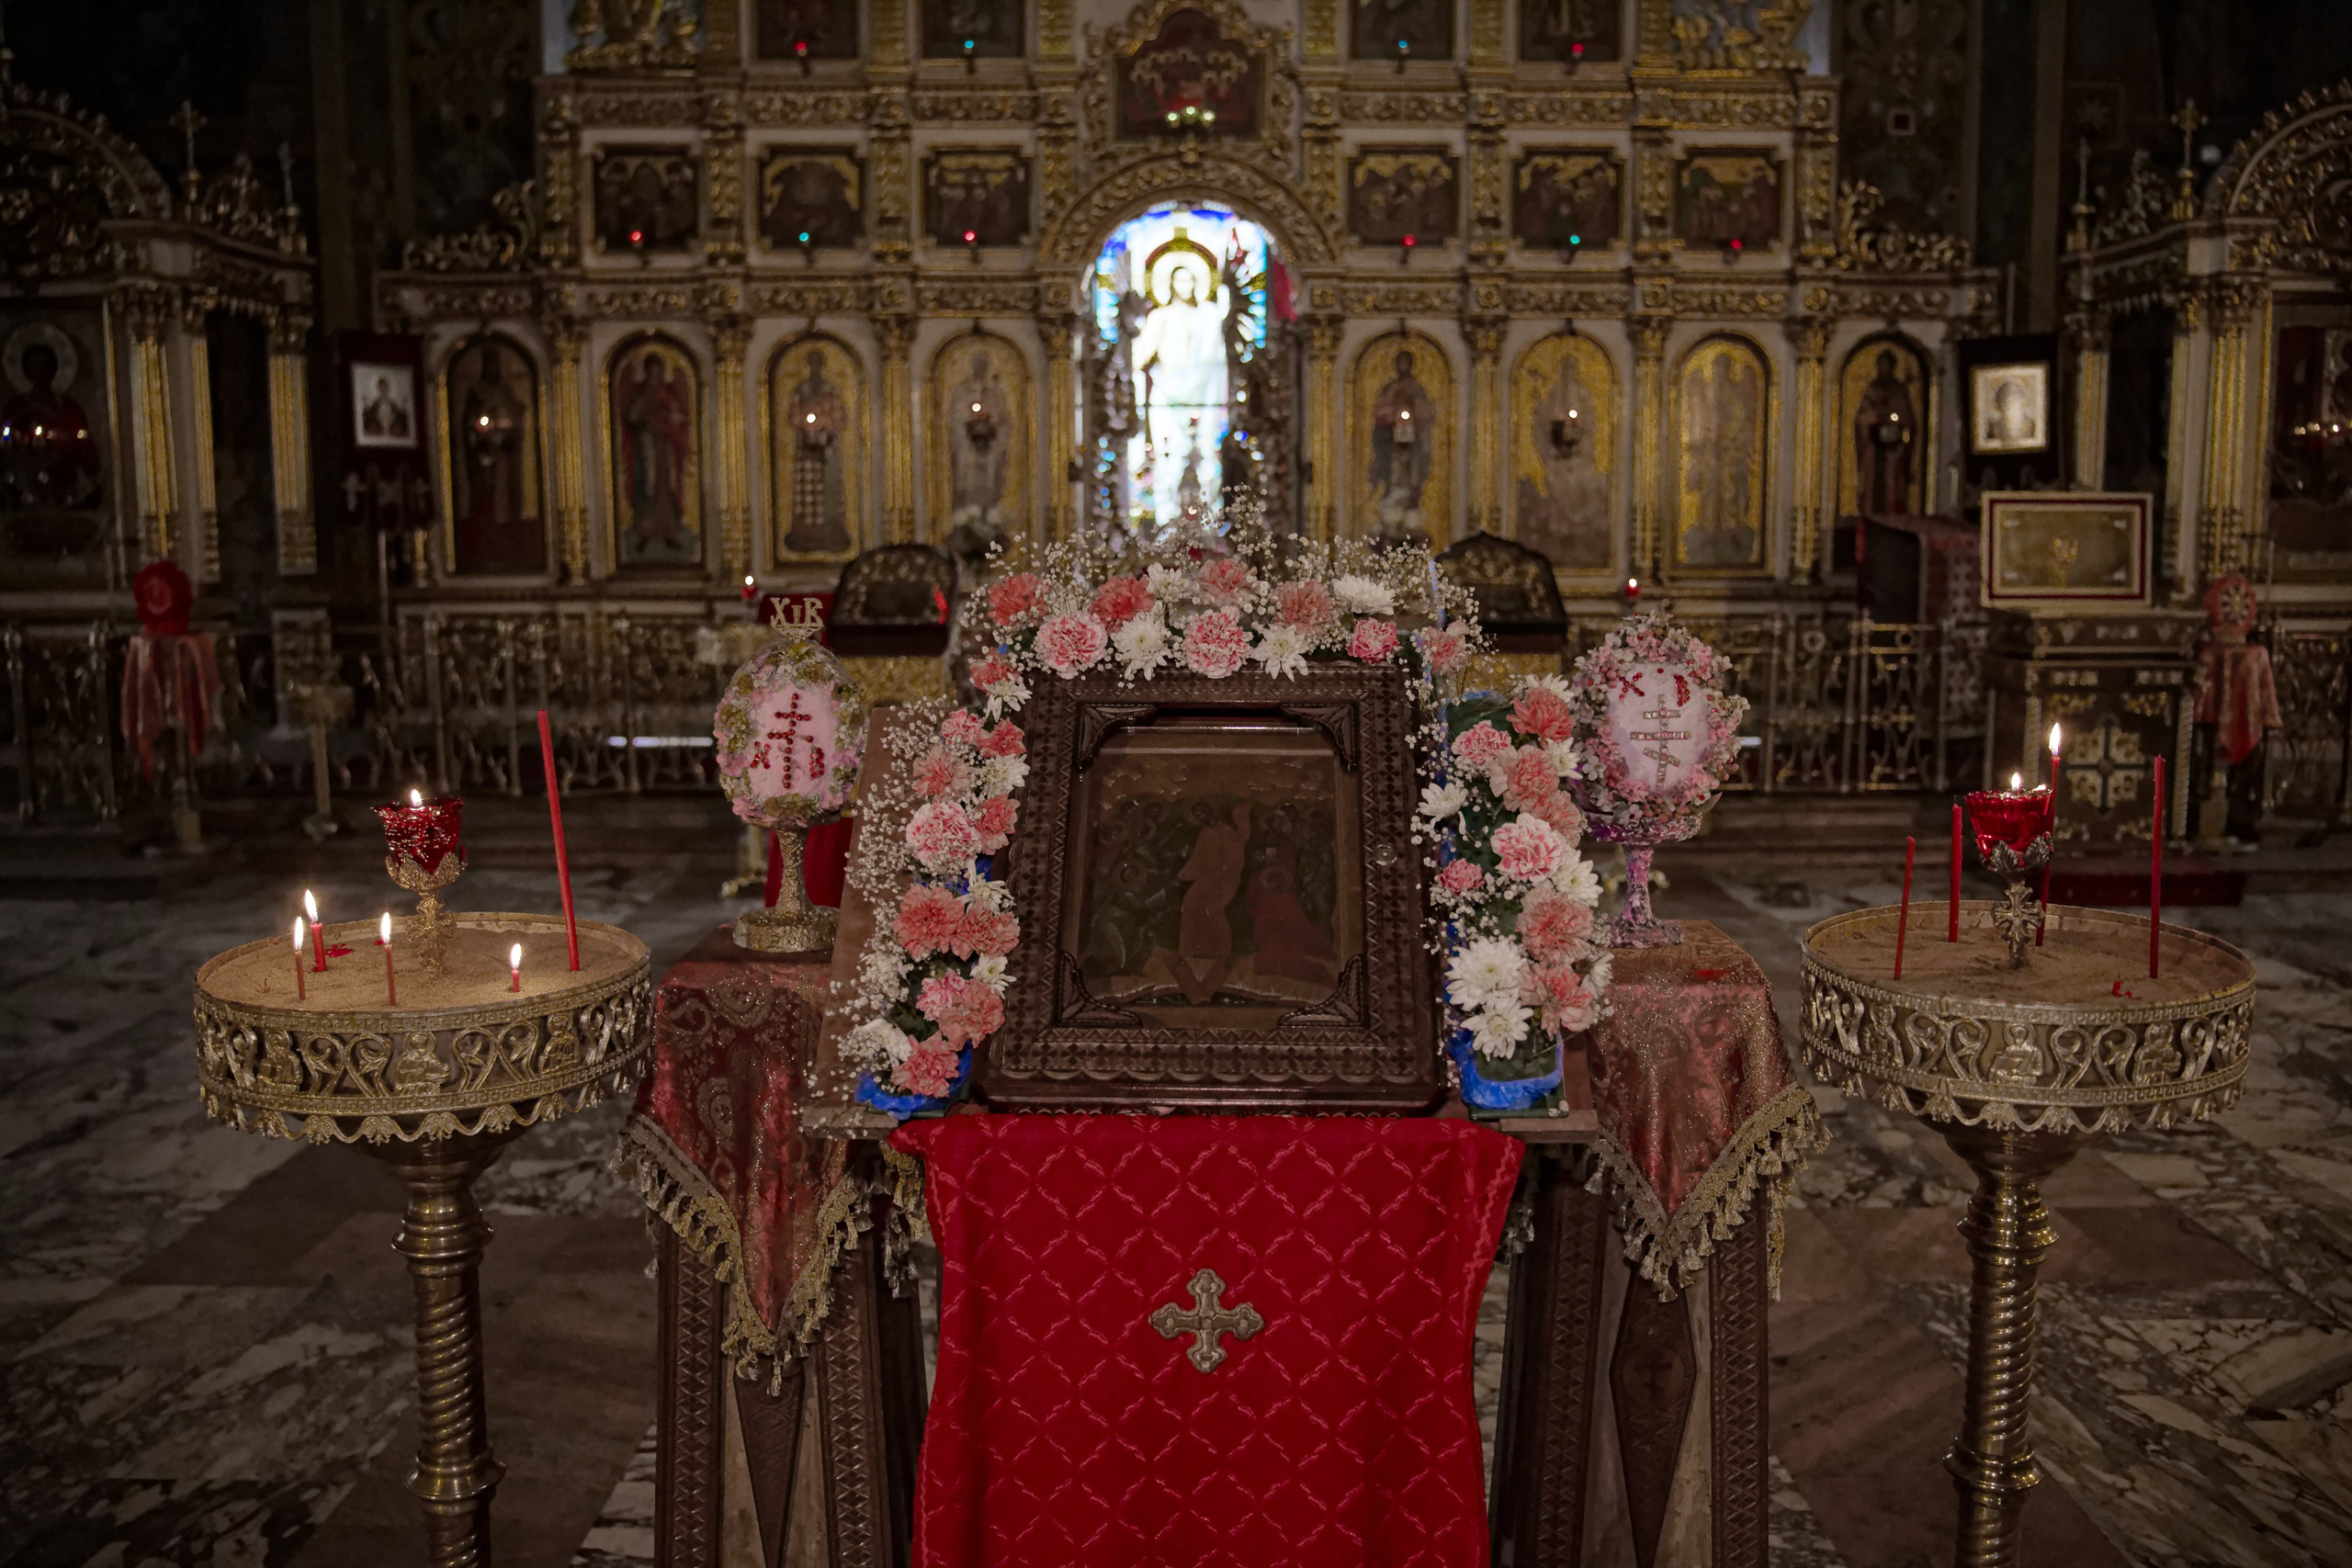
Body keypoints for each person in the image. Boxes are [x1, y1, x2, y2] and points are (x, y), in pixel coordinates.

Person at [1131, 260, 1229, 524]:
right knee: (1168, 464)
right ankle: (1167, 524)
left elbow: (1218, 360)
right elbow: (1137, 358)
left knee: (1208, 461)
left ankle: (1209, 525)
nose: (1185, 286)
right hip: (1166, 395)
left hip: (1204, 395)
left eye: (1190, 280)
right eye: (1179, 280)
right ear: (1170, 284)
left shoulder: (1208, 316)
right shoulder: (1160, 317)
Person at [0, 339, 101, 512]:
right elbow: (6, 447)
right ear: (26, 369)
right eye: (34, 365)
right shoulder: (16, 408)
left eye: (44, 365)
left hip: (66, 488)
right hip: (24, 488)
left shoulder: (70, 408)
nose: (40, 371)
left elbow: (86, 451)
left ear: (53, 368)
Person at [784, 348, 851, 554]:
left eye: (817, 363)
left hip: (828, 448)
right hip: (806, 448)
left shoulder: (830, 389)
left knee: (828, 489)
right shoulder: (801, 389)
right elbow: (794, 416)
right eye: (811, 362)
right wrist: (806, 427)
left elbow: (840, 416)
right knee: (807, 490)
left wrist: (826, 427)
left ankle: (830, 529)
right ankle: (807, 532)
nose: (814, 367)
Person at [1369, 350, 1437, 533]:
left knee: (1412, 475)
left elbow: (1427, 414)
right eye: (1400, 362)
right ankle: (1391, 513)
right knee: (1394, 476)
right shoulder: (1390, 388)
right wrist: (1392, 413)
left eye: (1407, 363)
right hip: (1392, 443)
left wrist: (1413, 410)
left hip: (1413, 443)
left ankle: (1410, 510)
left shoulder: (1416, 388)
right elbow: (1380, 413)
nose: (1403, 366)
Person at [1853, 348, 1917, 515]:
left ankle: (1893, 515)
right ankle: (1869, 515)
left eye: (1887, 365)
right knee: (1872, 483)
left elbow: (1907, 418)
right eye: (1882, 365)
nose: (1884, 369)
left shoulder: (1899, 390)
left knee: (1893, 482)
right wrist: (1876, 417)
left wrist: (1893, 419)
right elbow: (1862, 418)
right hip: (1873, 446)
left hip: (1894, 448)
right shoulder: (1872, 389)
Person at [361, 374, 412, 442]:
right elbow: (370, 411)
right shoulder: (376, 402)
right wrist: (364, 405)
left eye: (384, 387)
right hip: (378, 426)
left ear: (388, 388)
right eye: (381, 387)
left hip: (391, 425)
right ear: (378, 388)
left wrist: (404, 404)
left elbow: (398, 411)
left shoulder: (391, 402)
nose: (383, 389)